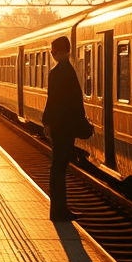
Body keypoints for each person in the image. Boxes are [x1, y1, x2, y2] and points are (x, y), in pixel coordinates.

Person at [42, 36, 85, 221]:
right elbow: (74, 100)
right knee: (59, 168)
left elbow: (52, 100)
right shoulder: (68, 71)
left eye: (53, 51)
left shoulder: (57, 72)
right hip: (65, 127)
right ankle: (59, 211)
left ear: (60, 51)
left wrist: (47, 122)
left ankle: (59, 210)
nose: (52, 54)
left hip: (60, 127)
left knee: (58, 168)